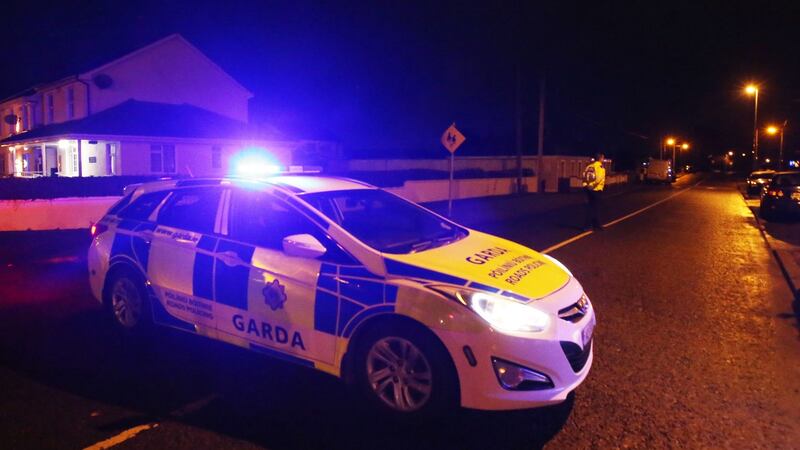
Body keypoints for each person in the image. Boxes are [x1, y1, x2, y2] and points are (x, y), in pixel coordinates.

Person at [582, 152, 606, 231]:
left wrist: (586, 185)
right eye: (603, 158)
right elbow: (598, 178)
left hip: (588, 189)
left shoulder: (589, 166)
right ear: (601, 158)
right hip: (596, 189)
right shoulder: (600, 167)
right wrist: (592, 184)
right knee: (595, 207)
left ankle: (593, 225)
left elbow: (584, 176)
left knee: (591, 206)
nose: (603, 159)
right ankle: (592, 225)